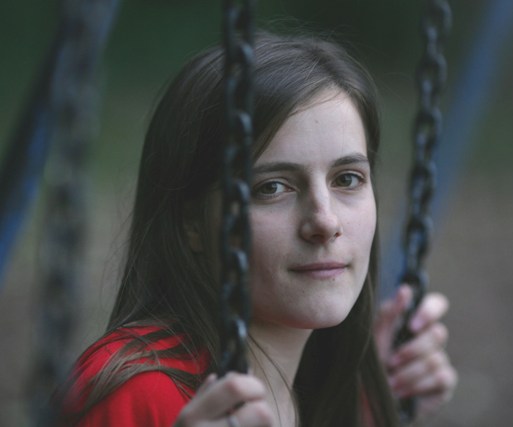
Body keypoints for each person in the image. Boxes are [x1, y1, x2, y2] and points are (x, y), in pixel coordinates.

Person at [56, 32, 457, 427]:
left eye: (347, 179)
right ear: (191, 223)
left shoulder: (307, 393)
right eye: (272, 188)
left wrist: (369, 406)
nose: (325, 222)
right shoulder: (140, 394)